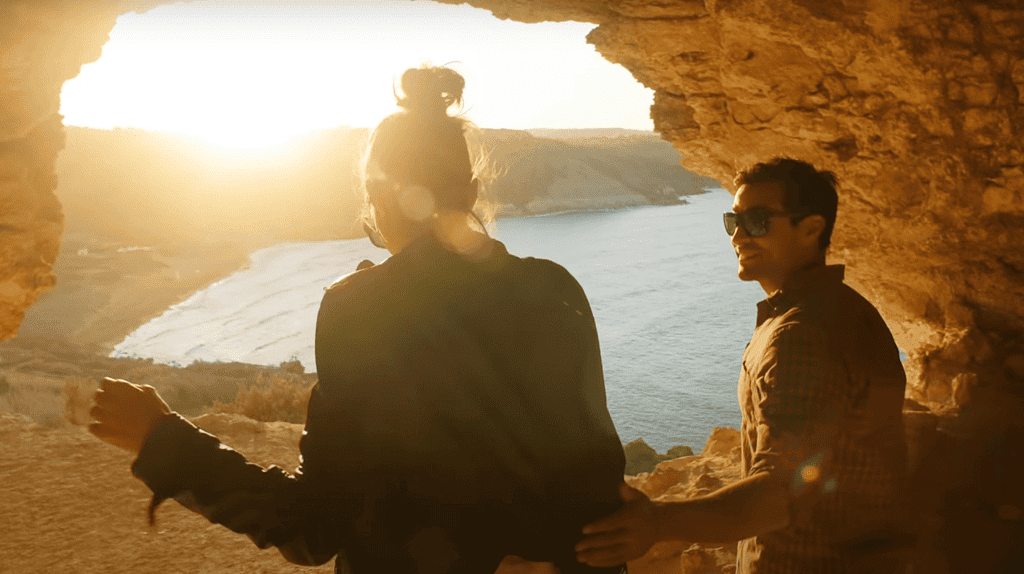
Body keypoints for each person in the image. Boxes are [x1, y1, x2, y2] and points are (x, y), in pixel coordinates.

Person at [90, 65, 627, 574]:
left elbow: (315, 525)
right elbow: (595, 487)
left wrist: (162, 442)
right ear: (474, 192)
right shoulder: (555, 287)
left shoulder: (362, 308)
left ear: (379, 199)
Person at [575, 158, 911, 573]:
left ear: (811, 228)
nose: (738, 236)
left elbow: (781, 491)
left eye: (757, 221)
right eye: (732, 221)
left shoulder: (801, 335)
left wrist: (659, 521)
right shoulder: (848, 310)